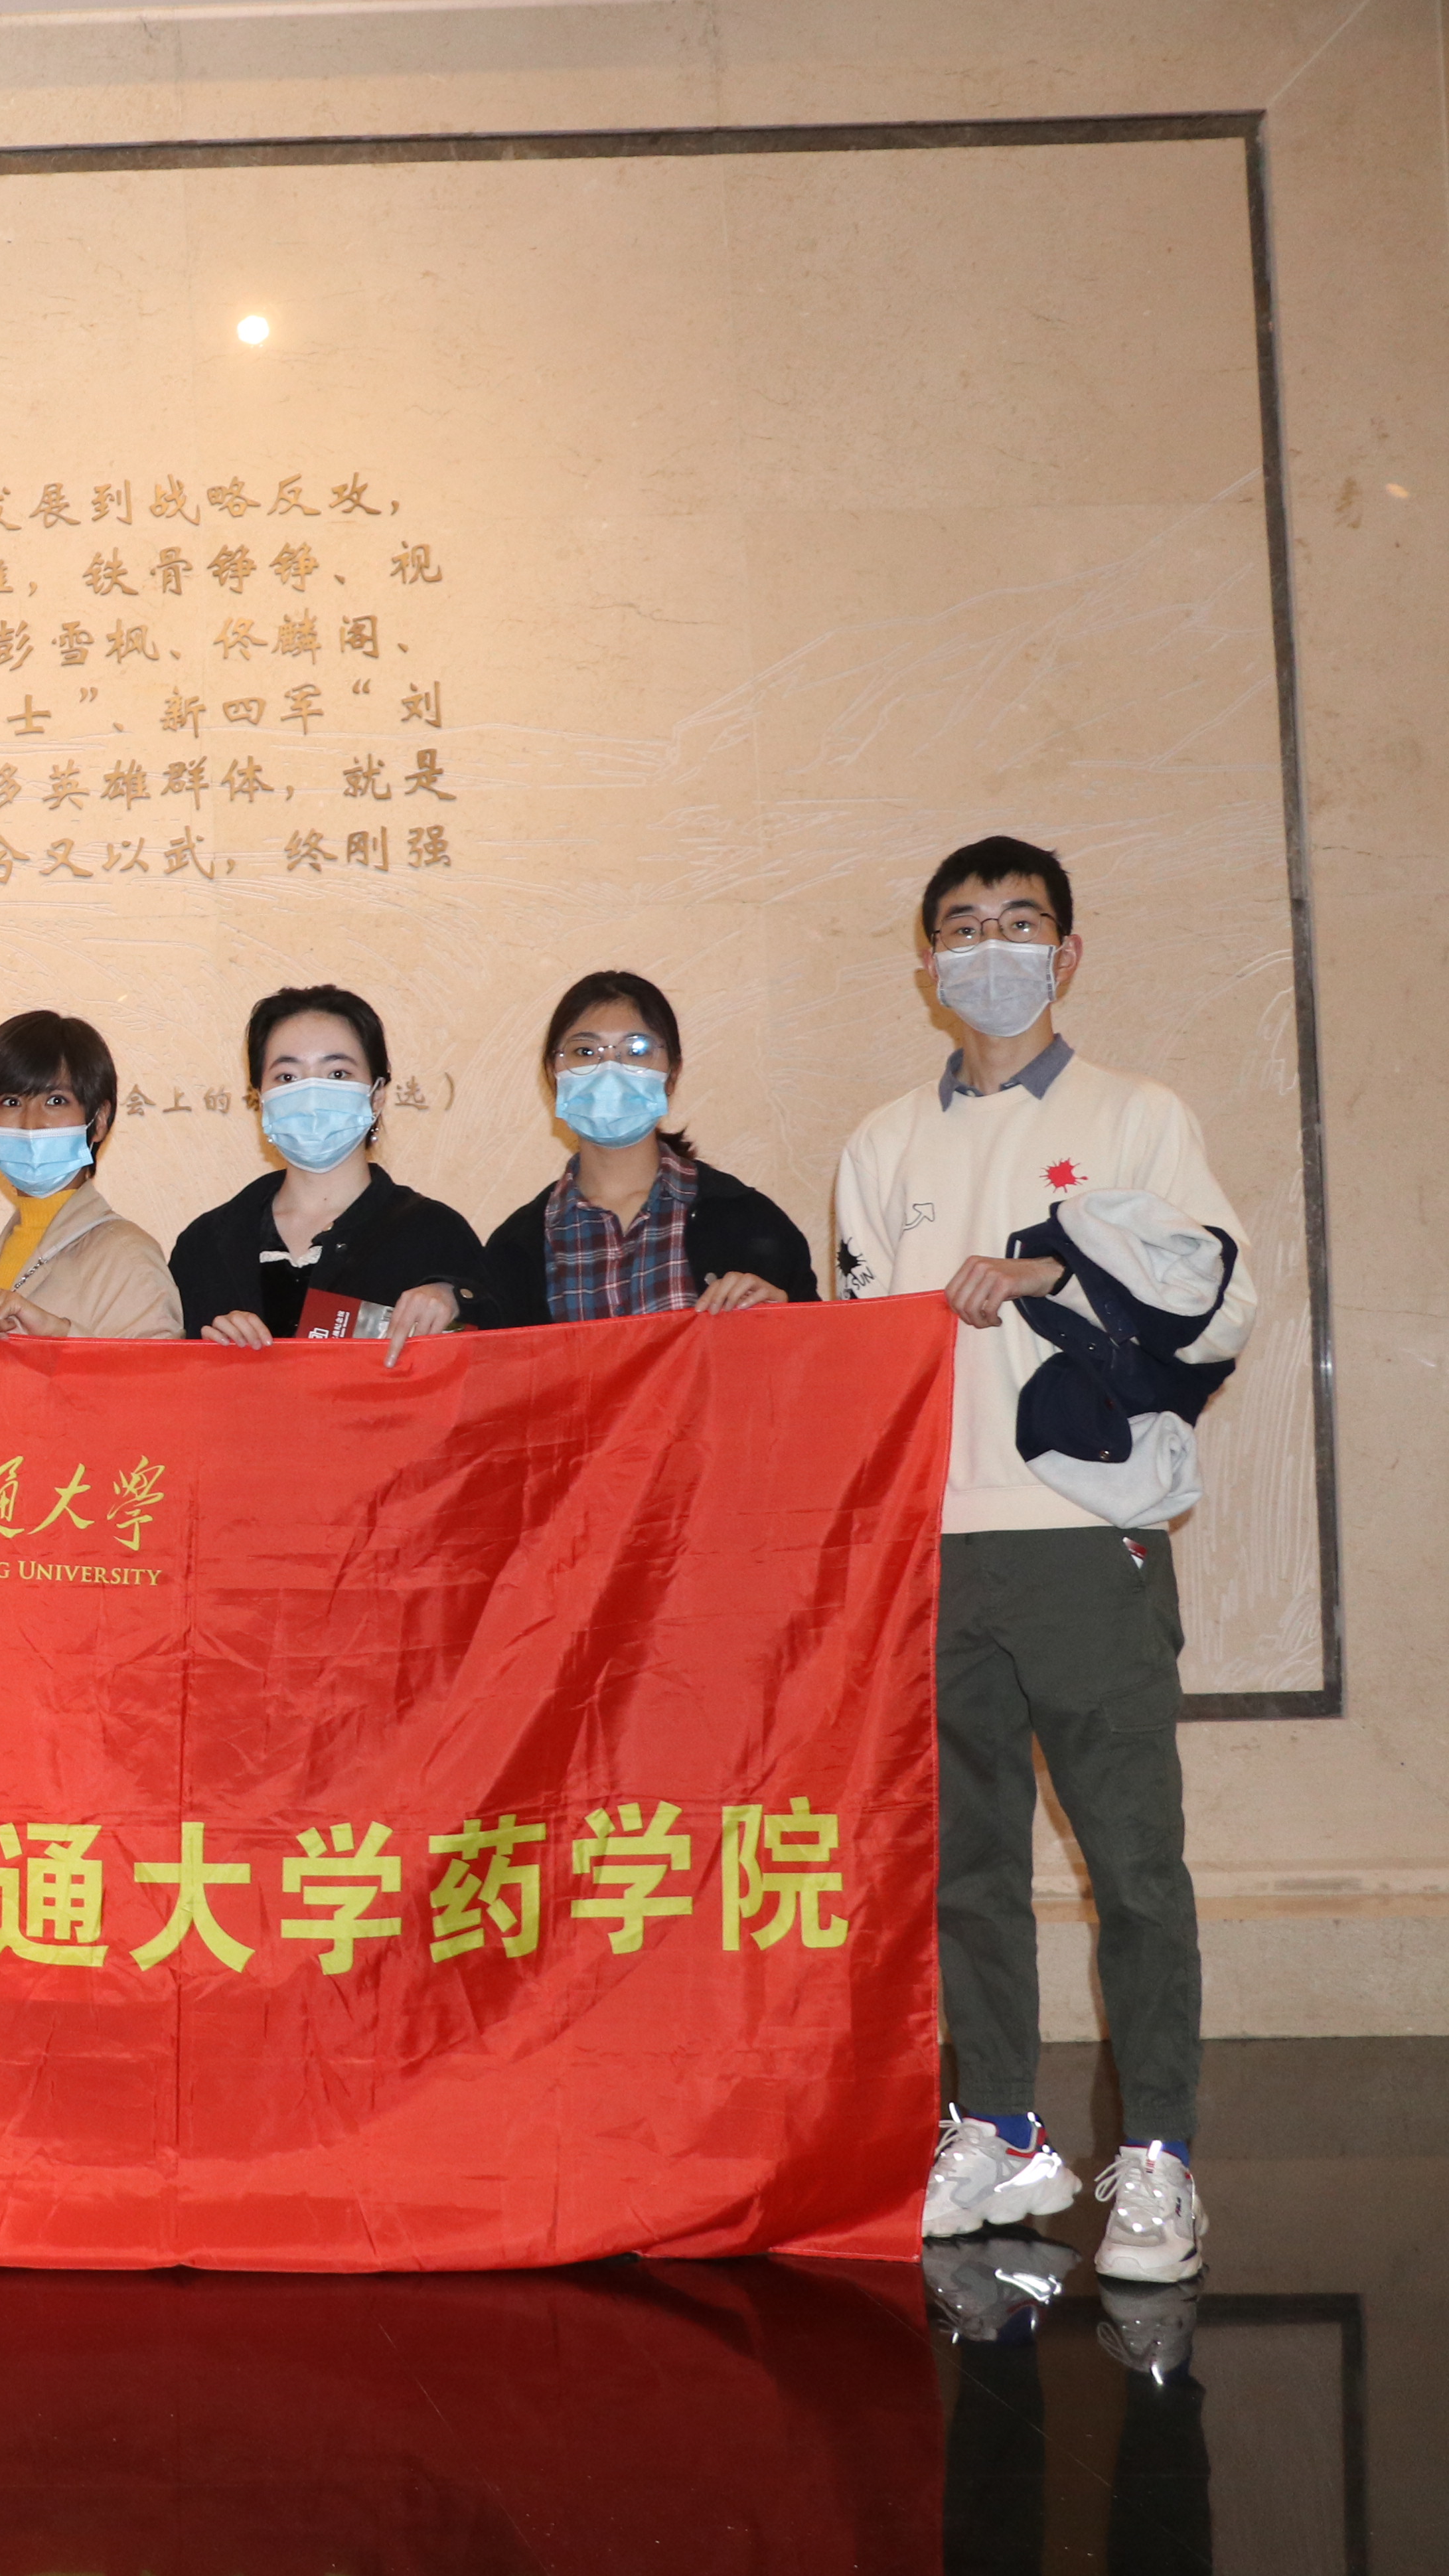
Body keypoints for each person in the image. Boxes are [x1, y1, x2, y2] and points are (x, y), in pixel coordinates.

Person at [839, 838, 1249, 2296]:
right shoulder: (884, 1142)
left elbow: (1216, 1302)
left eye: (1020, 924)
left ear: (1067, 953)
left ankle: (1161, 2155)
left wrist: (1059, 1264)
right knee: (967, 1865)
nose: (991, 949)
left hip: (1085, 1536)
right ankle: (1002, 2127)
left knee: (1133, 1863)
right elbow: (860, 1349)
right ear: (928, 965)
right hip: (934, 1545)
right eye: (963, 928)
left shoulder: (1137, 1115)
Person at [468, 971, 818, 1326]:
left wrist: (784, 1322)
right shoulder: (514, 1250)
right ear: (553, 1074)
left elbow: (819, 1349)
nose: (609, 1070)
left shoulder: (748, 1221)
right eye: (585, 1051)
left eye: (636, 1050)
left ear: (673, 1073)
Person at [168, 985, 477, 1356]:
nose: (312, 1095)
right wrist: (208, 1357)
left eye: (338, 1074)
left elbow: (493, 1366)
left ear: (377, 1096)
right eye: (287, 1077)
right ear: (261, 1099)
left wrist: (455, 1300)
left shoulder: (435, 1235)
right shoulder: (204, 1247)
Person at [0, 1012, 179, 1338]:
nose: (31, 1123)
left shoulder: (127, 1255)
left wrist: (60, 1335)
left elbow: (156, 1369)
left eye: (56, 1101)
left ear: (99, 1120)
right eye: (11, 1101)